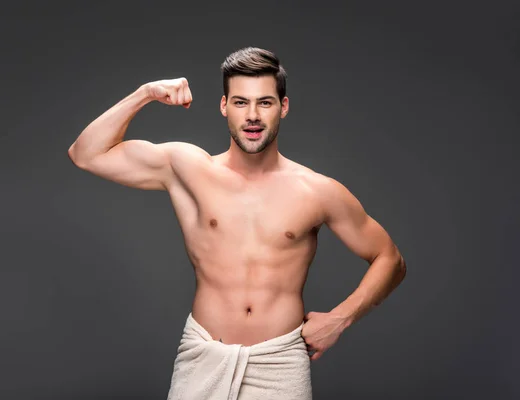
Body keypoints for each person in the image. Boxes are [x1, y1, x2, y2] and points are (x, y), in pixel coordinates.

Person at [68, 46, 407, 399]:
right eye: (241, 102)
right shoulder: (188, 169)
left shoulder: (316, 191)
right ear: (224, 106)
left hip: (279, 364)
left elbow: (391, 260)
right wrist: (146, 94)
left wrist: (340, 319)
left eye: (265, 102)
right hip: (203, 356)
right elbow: (86, 154)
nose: (253, 115)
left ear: (283, 107)